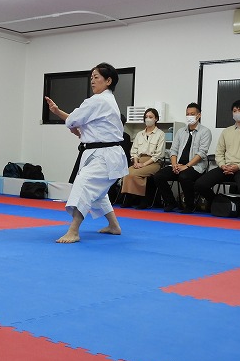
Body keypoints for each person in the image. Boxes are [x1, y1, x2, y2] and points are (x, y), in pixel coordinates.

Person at [44, 62, 128, 243]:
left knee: (84, 185)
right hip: (105, 154)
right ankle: (114, 226)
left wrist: (71, 123)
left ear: (108, 81)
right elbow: (79, 123)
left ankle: (73, 231)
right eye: (91, 78)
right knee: (98, 192)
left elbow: (73, 121)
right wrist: (58, 112)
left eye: (96, 77)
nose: (92, 81)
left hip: (104, 155)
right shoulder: (107, 101)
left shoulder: (97, 101)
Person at [194, 99, 240, 218]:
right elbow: (219, 152)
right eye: (234, 111)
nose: (237, 113)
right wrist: (222, 165)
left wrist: (238, 166)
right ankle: (219, 202)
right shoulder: (226, 131)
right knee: (200, 184)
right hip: (225, 167)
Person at [154, 102, 211, 213]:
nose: (189, 116)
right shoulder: (181, 132)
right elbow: (173, 150)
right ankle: (171, 202)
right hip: (178, 164)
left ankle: (190, 205)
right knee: (158, 176)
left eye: (192, 114)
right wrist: (174, 165)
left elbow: (202, 153)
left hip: (195, 166)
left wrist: (187, 166)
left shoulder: (205, 132)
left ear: (199, 115)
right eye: (187, 114)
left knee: (184, 176)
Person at [119, 108, 165, 209]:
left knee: (135, 174)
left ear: (156, 119)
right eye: (146, 117)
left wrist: (143, 164)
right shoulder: (140, 134)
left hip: (153, 163)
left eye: (151, 117)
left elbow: (158, 155)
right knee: (126, 173)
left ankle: (143, 200)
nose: (148, 119)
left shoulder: (160, 134)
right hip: (139, 161)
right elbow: (134, 151)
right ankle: (128, 198)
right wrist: (135, 162)